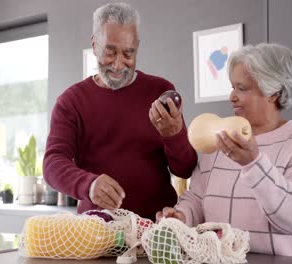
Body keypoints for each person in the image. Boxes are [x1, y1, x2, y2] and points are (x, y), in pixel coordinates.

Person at [156, 43, 292, 259]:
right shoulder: (219, 138)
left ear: (273, 92)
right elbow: (197, 198)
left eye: (242, 88)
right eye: (232, 87)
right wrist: (182, 216)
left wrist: (253, 163)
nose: (232, 96)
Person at [43, 2, 197, 220]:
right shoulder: (71, 102)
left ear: (137, 47)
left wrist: (174, 134)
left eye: (128, 53)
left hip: (157, 229)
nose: (118, 64)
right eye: (110, 51)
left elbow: (185, 169)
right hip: (97, 232)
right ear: (95, 44)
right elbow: (52, 164)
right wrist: (89, 185)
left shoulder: (161, 91)